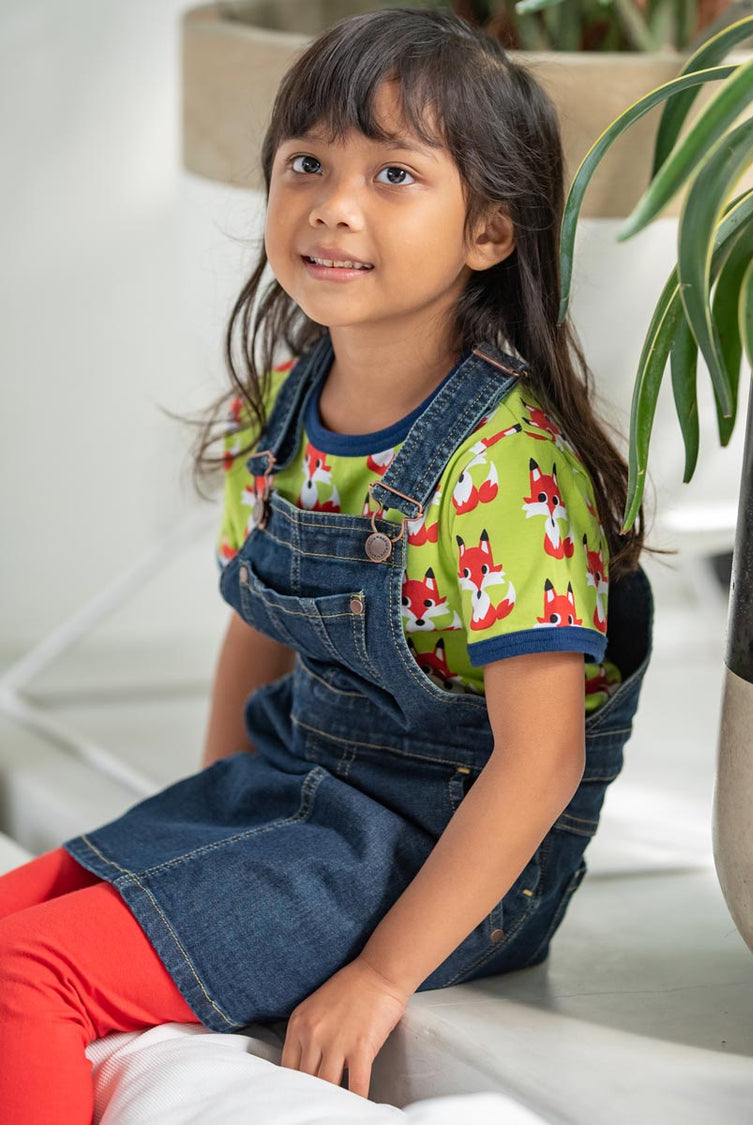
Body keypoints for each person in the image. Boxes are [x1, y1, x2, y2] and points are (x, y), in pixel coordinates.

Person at [0, 7, 652, 1120]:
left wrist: (382, 974)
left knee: (26, 978)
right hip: (291, 793)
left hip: (439, 848)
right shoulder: (283, 410)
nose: (333, 205)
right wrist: (212, 827)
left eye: (395, 174)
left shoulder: (506, 470)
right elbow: (256, 630)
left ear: (489, 231)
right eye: (307, 162)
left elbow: (537, 764)